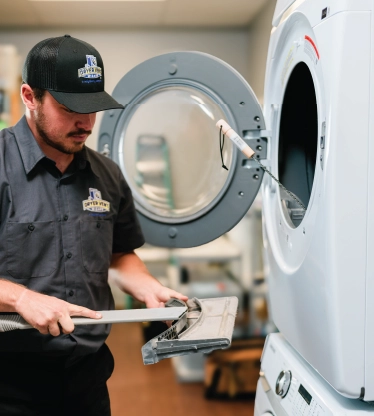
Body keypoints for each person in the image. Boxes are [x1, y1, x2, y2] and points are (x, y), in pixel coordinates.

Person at [0, 35, 188, 416]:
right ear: (29, 96)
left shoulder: (107, 175)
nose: (85, 122)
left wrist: (147, 287)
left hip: (88, 381)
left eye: (93, 107)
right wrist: (21, 299)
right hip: (10, 385)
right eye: (70, 107)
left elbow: (119, 255)